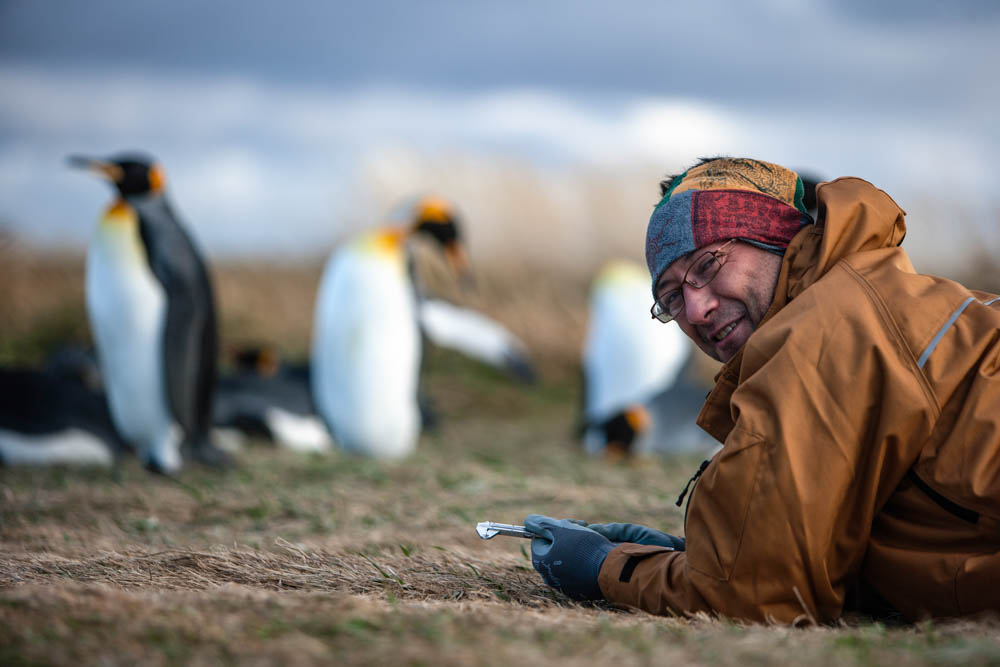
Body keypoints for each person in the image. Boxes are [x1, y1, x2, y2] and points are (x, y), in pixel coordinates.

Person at [525, 157, 1000, 622]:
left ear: (773, 237)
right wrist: (704, 554)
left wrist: (606, 567)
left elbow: (757, 595)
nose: (695, 310)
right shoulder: (881, 300)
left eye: (709, 265)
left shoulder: (823, 334)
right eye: (670, 299)